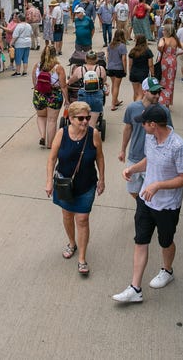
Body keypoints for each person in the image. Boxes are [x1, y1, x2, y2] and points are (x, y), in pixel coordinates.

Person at [112, 104, 183, 303]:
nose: (141, 126)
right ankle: (135, 288)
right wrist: (133, 169)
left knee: (165, 241)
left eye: (144, 123)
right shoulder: (150, 137)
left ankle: (167, 270)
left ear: (153, 124)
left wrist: (158, 185)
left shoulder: (179, 146)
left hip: (167, 205)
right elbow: (150, 160)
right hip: (145, 200)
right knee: (140, 240)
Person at [45, 101, 105, 275]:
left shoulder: (94, 134)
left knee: (83, 219)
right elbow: (51, 159)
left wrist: (102, 179)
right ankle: (72, 243)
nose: (85, 121)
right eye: (80, 118)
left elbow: (100, 158)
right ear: (70, 119)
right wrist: (49, 181)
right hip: (65, 185)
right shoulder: (61, 134)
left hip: (87, 184)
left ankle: (82, 258)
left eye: (87, 118)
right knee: (67, 215)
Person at [119, 77, 172, 199]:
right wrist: (122, 149)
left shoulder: (163, 111)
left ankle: (144, 211)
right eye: (154, 92)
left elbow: (169, 133)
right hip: (135, 157)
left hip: (154, 159)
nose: (157, 95)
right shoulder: (132, 108)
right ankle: (142, 206)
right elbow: (128, 128)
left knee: (152, 192)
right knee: (133, 190)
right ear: (144, 92)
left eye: (159, 92)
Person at [31, 46, 68, 148]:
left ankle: (42, 136)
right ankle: (50, 144)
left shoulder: (37, 66)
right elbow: (63, 86)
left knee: (41, 116)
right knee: (52, 120)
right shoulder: (58, 68)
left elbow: (35, 83)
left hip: (39, 95)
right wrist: (67, 100)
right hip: (54, 96)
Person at [67, 51, 108, 128]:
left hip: (83, 95)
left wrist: (68, 82)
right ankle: (90, 137)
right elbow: (104, 80)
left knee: (82, 121)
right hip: (97, 95)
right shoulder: (100, 69)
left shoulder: (80, 69)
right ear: (96, 59)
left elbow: (71, 81)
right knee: (92, 124)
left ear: (85, 59)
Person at [157, 24, 183, 107]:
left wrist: (162, 50)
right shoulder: (175, 40)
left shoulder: (163, 39)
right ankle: (167, 102)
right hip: (173, 61)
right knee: (170, 82)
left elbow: (160, 45)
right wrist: (176, 53)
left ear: (167, 31)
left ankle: (161, 100)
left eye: (164, 30)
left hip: (164, 60)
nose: (162, 31)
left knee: (162, 80)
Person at [106, 29, 128, 110]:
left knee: (113, 85)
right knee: (116, 86)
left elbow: (107, 56)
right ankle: (113, 104)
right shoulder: (122, 46)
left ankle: (116, 100)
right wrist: (125, 69)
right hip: (118, 68)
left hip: (111, 67)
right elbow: (124, 59)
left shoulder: (110, 45)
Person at [128, 34, 155, 101]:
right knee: (141, 94)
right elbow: (150, 65)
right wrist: (153, 74)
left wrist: (130, 72)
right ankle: (139, 107)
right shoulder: (148, 51)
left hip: (134, 73)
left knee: (135, 93)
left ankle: (134, 106)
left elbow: (130, 64)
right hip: (143, 73)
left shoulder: (133, 51)